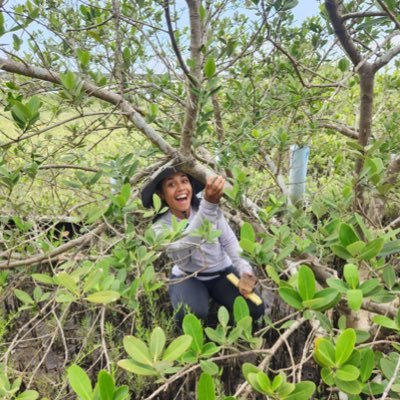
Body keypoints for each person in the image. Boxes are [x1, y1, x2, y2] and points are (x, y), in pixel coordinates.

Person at [141, 164, 265, 325]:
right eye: (171, 184)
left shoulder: (206, 209)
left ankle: (231, 332)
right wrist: (209, 205)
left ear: (191, 186)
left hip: (223, 273)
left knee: (255, 309)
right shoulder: (158, 228)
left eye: (184, 181)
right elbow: (184, 243)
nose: (180, 188)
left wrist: (245, 271)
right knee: (190, 314)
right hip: (188, 276)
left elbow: (228, 240)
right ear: (161, 194)